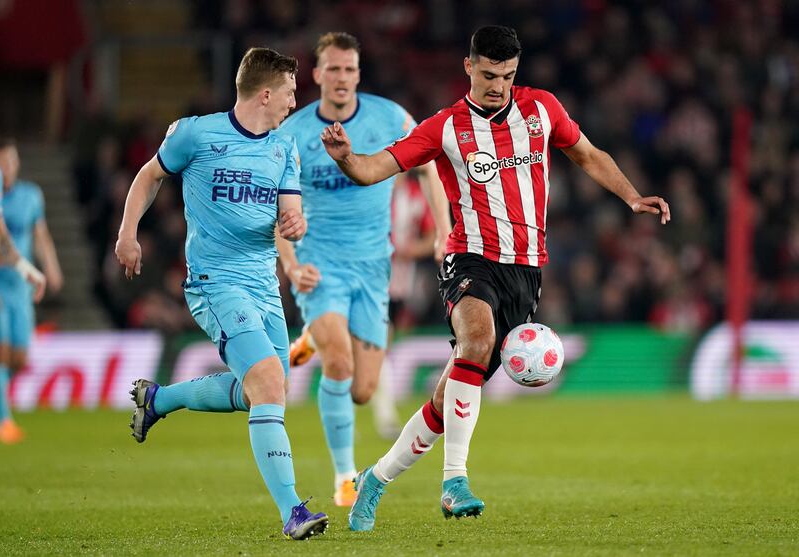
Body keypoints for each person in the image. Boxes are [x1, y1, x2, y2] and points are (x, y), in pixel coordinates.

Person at [319, 25, 671, 531]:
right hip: (470, 258)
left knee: (446, 401)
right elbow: (378, 168)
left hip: (525, 271)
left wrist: (631, 196)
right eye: (488, 74)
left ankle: (375, 480)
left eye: (506, 76)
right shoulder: (443, 127)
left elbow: (588, 155)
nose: (497, 85)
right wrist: (347, 158)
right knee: (478, 338)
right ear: (469, 67)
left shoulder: (542, 109)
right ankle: (454, 483)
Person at [115, 47, 328, 540]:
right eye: (291, 93)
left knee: (266, 392)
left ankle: (159, 400)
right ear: (267, 92)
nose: (294, 103)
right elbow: (150, 176)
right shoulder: (196, 133)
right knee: (270, 384)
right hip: (216, 282)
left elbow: (290, 215)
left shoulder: (284, 148)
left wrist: (295, 224)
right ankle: (292, 511)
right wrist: (128, 233)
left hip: (264, 285)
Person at [276, 32, 451, 506]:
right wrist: (291, 266)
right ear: (316, 74)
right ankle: (345, 477)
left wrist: (442, 230)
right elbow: (279, 209)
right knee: (339, 362)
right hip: (319, 265)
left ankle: (310, 340)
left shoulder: (389, 117)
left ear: (358, 73)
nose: (341, 77)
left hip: (375, 267)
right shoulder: (291, 133)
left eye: (349, 69)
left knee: (363, 389)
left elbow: (429, 165)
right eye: (332, 68)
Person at [0, 138, 48, 445]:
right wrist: (26, 267)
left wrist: (47, 268)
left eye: (11, 162)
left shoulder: (30, 195)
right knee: (1, 355)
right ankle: (4, 422)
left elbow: (39, 233)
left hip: (19, 289)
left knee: (17, 358)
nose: (7, 168)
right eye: (2, 163)